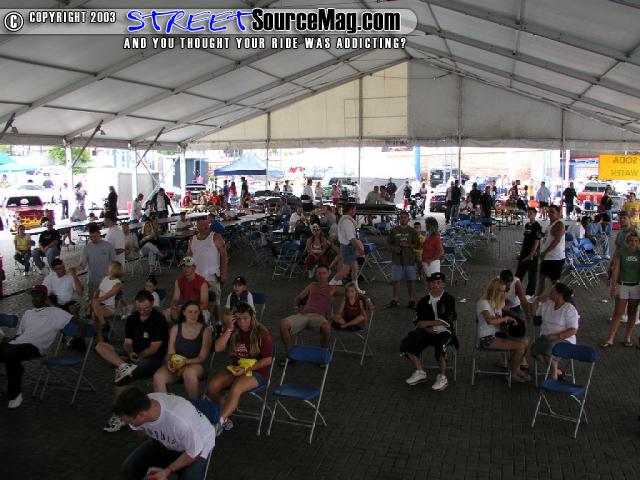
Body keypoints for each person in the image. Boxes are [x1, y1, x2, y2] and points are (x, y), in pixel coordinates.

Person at [96, 290, 169, 433]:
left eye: (146, 308)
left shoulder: (159, 320)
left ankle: (119, 414)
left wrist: (139, 356)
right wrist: (130, 352)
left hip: (152, 358)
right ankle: (123, 365)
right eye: (139, 308)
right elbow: (128, 343)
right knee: (100, 346)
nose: (142, 311)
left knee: (121, 375)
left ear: (152, 304)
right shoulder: (132, 319)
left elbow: (154, 348)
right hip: (134, 354)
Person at [114, 387, 215, 480]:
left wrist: (167, 471)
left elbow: (194, 452)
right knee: (128, 470)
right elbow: (141, 432)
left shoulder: (179, 421)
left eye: (129, 421)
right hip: (167, 439)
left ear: (142, 415)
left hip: (198, 445)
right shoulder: (142, 406)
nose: (127, 424)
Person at [0, 285, 72, 409]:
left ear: (45, 297)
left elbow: (76, 320)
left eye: (37, 296)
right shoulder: (28, 313)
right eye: (33, 296)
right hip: (16, 344)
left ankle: (14, 394)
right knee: (9, 353)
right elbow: (19, 334)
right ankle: (16, 372)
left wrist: (51, 305)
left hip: (34, 347)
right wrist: (9, 339)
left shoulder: (56, 312)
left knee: (10, 355)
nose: (34, 299)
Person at [208, 302, 273, 436]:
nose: (242, 322)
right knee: (213, 386)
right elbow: (218, 348)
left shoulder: (262, 333)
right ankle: (225, 416)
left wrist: (247, 369)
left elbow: (268, 359)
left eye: (245, 318)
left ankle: (219, 422)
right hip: (236, 369)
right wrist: (229, 329)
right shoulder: (234, 330)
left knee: (236, 387)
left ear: (252, 317)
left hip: (257, 372)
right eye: (238, 319)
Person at [400, 272, 457, 390]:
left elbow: (448, 319)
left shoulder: (449, 299)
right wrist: (426, 328)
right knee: (407, 343)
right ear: (429, 284)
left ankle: (442, 376)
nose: (435, 285)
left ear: (443, 285)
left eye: (438, 283)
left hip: (445, 332)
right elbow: (418, 321)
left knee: (440, 347)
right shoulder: (423, 301)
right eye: (432, 283)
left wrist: (428, 323)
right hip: (427, 331)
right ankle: (420, 371)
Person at [153, 301, 212, 400]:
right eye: (190, 312)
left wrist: (184, 362)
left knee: (189, 373)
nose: (193, 315)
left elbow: (202, 357)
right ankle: (165, 405)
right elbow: (170, 352)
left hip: (196, 365)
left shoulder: (206, 330)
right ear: (184, 313)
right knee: (158, 377)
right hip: (177, 364)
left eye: (196, 312)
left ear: (199, 313)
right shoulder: (175, 328)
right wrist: (169, 362)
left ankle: (195, 404)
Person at [476, 278, 530, 382]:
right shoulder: (483, 303)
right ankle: (513, 374)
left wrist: (515, 317)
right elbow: (490, 321)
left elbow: (505, 311)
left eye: (505, 291)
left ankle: (516, 369)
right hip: (487, 338)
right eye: (501, 291)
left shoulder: (498, 302)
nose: (504, 293)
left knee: (526, 341)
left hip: (498, 335)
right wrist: (506, 318)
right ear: (494, 291)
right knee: (520, 346)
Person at [280, 265, 337, 353]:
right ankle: (290, 353)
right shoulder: (312, 285)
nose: (321, 276)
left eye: (324, 273)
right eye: (319, 273)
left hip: (319, 317)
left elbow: (351, 292)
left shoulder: (333, 288)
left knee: (327, 327)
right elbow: (298, 298)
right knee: (283, 324)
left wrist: (365, 299)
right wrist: (296, 308)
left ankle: (324, 353)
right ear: (316, 274)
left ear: (328, 274)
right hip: (304, 315)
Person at [529, 283, 579, 380]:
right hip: (546, 338)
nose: (549, 294)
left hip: (564, 339)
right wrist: (537, 300)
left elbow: (573, 330)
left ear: (559, 295)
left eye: (552, 292)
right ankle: (557, 371)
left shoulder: (569, 308)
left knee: (550, 350)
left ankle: (553, 377)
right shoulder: (548, 304)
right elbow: (534, 313)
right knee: (535, 351)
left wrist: (556, 336)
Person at [601, 231, 640, 348]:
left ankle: (627, 337)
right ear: (627, 242)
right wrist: (613, 287)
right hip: (623, 285)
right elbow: (616, 270)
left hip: (636, 286)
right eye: (631, 240)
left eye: (636, 241)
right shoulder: (621, 252)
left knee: (632, 313)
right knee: (618, 312)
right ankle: (611, 338)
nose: (633, 243)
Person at [189, 217, 228, 326]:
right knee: (197, 302)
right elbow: (189, 258)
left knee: (216, 302)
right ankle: (201, 324)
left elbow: (224, 255)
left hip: (212, 277)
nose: (206, 227)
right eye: (203, 225)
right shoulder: (192, 240)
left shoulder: (216, 237)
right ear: (197, 226)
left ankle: (218, 324)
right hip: (196, 278)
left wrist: (224, 273)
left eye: (207, 224)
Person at [328, 203, 365, 294]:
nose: (355, 211)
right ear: (350, 210)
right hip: (348, 247)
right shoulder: (347, 222)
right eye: (354, 209)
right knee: (345, 271)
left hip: (348, 247)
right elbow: (351, 239)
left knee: (355, 269)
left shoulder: (346, 220)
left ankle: (356, 289)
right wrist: (359, 249)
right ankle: (328, 286)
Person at [387, 210, 419, 309]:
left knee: (411, 281)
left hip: (409, 260)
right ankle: (395, 299)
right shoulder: (394, 230)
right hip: (396, 260)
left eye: (405, 217)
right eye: (401, 217)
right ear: (399, 219)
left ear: (408, 219)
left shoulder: (412, 231)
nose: (403, 219)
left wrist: (408, 245)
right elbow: (388, 244)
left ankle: (412, 300)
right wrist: (394, 248)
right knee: (396, 281)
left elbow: (417, 245)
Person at [76, 222, 116, 298]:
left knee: (106, 300)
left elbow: (113, 263)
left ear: (99, 233)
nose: (93, 239)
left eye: (95, 236)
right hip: (92, 280)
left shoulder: (108, 246)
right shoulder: (87, 248)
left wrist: (113, 277)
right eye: (91, 237)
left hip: (106, 279)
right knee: (92, 299)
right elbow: (82, 264)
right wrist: (75, 269)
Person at [166, 257, 209, 323]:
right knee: (166, 313)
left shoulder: (202, 283)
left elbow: (204, 304)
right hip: (185, 307)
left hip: (200, 309)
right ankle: (176, 329)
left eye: (188, 266)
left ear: (194, 267)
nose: (185, 269)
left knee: (192, 318)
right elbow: (175, 300)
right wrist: (174, 308)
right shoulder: (179, 281)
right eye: (183, 266)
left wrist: (189, 310)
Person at [91, 261, 124, 343]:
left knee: (94, 314)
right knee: (94, 310)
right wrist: (94, 299)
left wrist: (95, 301)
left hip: (108, 307)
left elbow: (108, 295)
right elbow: (97, 290)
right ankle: (101, 332)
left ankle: (100, 330)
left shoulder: (118, 283)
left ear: (112, 269)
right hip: (99, 304)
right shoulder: (105, 278)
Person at [537, 205, 565, 295]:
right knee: (542, 277)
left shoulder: (559, 224)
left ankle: (563, 297)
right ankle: (538, 296)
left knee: (555, 282)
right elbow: (548, 238)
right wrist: (541, 235)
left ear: (558, 213)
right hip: (547, 257)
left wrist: (545, 252)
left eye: (552, 212)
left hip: (555, 258)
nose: (550, 214)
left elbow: (557, 240)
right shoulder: (550, 224)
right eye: (549, 212)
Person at [515, 207, 543, 296]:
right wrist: (521, 252)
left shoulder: (538, 226)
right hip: (524, 252)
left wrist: (531, 254)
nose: (529, 214)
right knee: (519, 274)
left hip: (532, 254)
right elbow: (525, 239)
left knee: (532, 276)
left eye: (531, 213)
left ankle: (529, 295)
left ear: (535, 214)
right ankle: (516, 292)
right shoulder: (527, 225)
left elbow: (537, 241)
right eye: (528, 212)